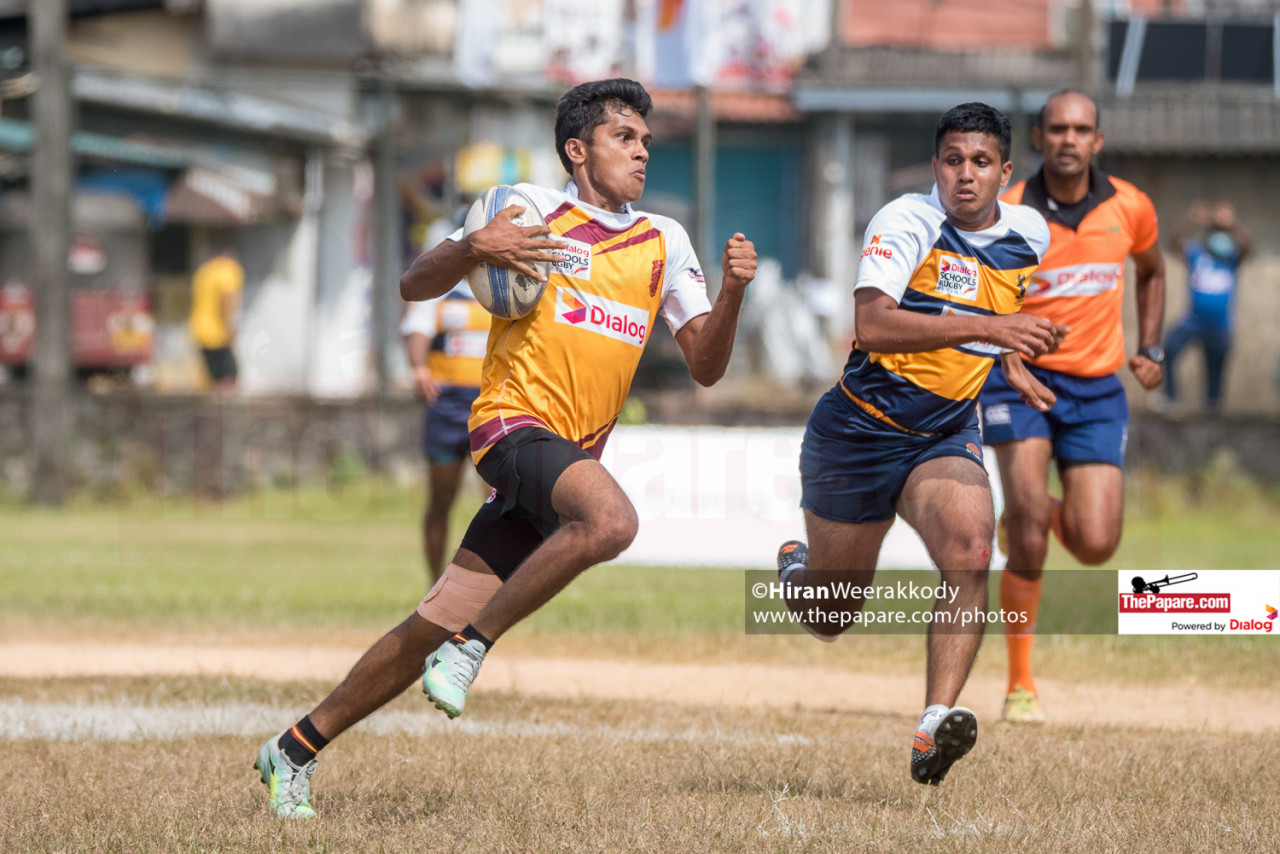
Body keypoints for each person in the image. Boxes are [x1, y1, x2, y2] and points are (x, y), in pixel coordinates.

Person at [253, 77, 757, 818]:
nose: (643, 152)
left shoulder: (664, 241)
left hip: (565, 459)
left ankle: (293, 747)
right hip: (509, 427)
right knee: (613, 524)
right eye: (626, 138)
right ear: (577, 149)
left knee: (426, 623)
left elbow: (706, 367)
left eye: (647, 140)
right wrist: (470, 246)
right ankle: (472, 646)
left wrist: (735, 291)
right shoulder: (524, 208)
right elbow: (411, 285)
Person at [775, 103, 1060, 787]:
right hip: (857, 431)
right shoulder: (905, 222)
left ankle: (934, 725)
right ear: (936, 168)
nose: (966, 174)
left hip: (944, 430)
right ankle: (796, 571)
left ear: (1006, 173)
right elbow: (872, 326)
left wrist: (1007, 353)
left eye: (981, 161)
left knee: (968, 551)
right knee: (833, 615)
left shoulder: (1031, 234)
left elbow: (992, 312)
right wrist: (995, 332)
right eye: (954, 160)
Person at [979, 90, 1165, 724]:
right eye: (1057, 128)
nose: (1068, 138)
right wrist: (998, 343)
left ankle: (1034, 513)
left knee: (1094, 543)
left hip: (1096, 388)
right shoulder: (1005, 209)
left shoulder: (1130, 207)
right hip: (1017, 378)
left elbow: (1153, 271)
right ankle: (1021, 685)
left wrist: (1152, 347)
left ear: (1098, 141)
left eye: (1081, 129)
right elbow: (970, 284)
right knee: (1029, 530)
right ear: (1039, 137)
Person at [400, 215, 490, 582]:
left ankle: (490, 586)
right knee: (441, 500)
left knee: (498, 502)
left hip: (490, 405)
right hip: (447, 403)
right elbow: (417, 328)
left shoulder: (503, 288)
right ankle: (433, 584)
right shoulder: (440, 287)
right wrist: (420, 368)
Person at [1163, 199, 1251, 412]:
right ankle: (1170, 398)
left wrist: (1231, 224)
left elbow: (1248, 245)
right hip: (1192, 321)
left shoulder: (1231, 259)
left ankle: (1213, 413)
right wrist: (1192, 221)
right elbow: (1174, 241)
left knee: (1215, 374)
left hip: (1220, 327)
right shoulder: (1197, 255)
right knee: (1169, 349)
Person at [187, 247, 244, 392]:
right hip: (218, 334)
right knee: (229, 379)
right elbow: (226, 300)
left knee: (212, 380)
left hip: (200, 331)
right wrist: (230, 328)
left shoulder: (204, 271)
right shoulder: (226, 271)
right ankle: (226, 413)